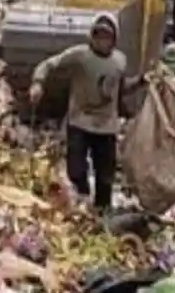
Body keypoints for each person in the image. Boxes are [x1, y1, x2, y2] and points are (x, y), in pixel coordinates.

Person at [29, 14, 142, 212]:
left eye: (107, 37)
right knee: (76, 170)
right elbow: (48, 64)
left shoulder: (119, 61)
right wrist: (38, 83)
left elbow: (120, 89)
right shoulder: (80, 55)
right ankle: (82, 201)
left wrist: (140, 82)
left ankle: (102, 214)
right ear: (91, 36)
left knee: (105, 178)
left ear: (114, 39)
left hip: (106, 126)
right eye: (98, 35)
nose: (102, 41)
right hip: (80, 121)